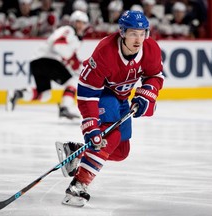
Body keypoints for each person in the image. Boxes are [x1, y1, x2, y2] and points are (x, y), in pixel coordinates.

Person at [56, 10, 164, 207]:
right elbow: (88, 91)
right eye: (133, 33)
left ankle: (77, 152)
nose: (138, 39)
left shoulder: (151, 49)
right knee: (111, 134)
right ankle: (78, 184)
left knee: (121, 151)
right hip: (101, 95)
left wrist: (145, 94)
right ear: (122, 32)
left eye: (142, 33)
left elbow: (155, 76)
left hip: (122, 97)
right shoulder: (105, 51)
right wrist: (91, 124)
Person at [6, 10, 89, 120]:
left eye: (83, 23)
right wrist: (71, 61)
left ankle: (18, 93)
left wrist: (75, 63)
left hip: (37, 61)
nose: (80, 25)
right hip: (48, 60)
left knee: (45, 95)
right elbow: (58, 45)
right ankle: (64, 107)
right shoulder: (69, 30)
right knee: (72, 81)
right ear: (73, 22)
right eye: (78, 22)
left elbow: (70, 55)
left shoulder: (75, 37)